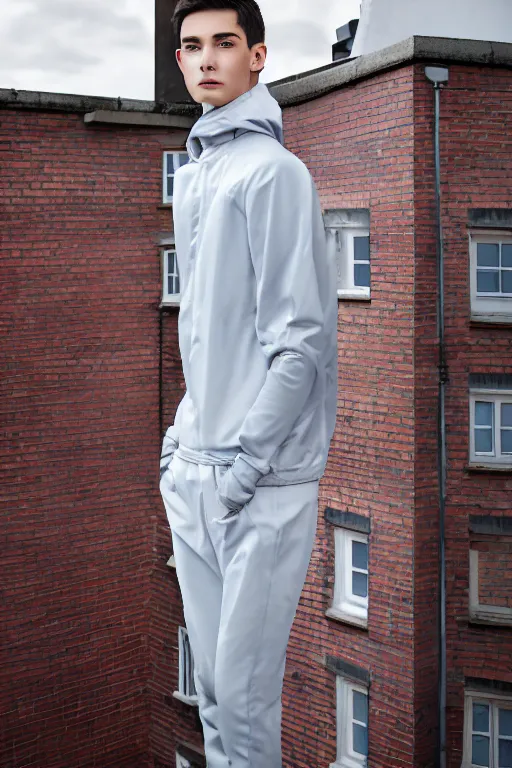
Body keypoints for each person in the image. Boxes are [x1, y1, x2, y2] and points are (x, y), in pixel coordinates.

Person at [159, 1, 338, 766]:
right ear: (179, 62)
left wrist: (244, 466)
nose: (207, 59)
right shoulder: (196, 177)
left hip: (256, 481)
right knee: (213, 702)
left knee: (246, 697)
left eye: (224, 44)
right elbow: (205, 330)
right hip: (195, 467)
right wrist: (180, 439)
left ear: (257, 57)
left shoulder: (276, 173)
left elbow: (300, 340)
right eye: (192, 46)